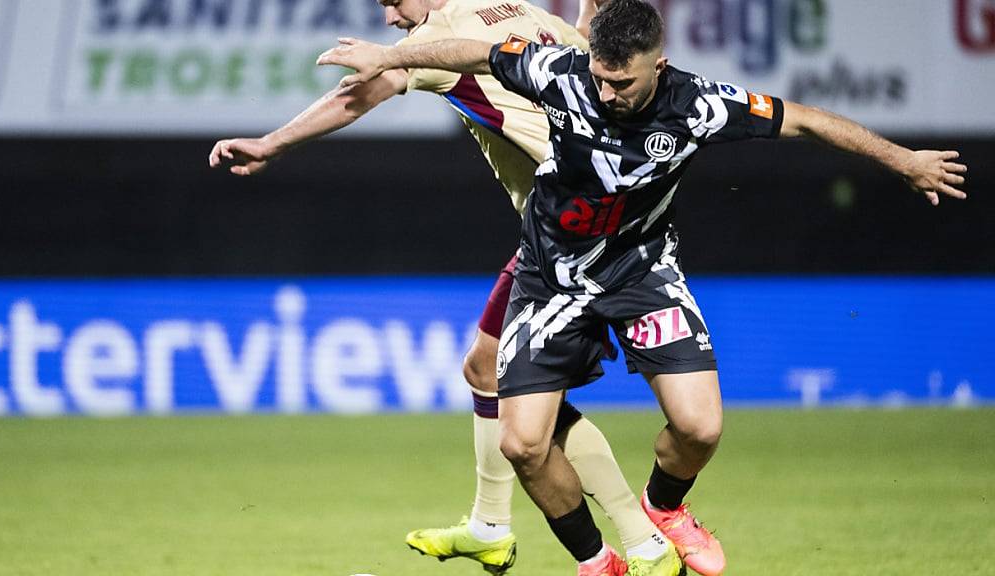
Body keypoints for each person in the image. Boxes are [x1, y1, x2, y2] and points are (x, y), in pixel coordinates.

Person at [316, 0, 969, 574]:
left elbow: (805, 120)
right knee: (521, 443)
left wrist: (903, 160)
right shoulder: (563, 74)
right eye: (600, 76)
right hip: (552, 281)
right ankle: (599, 562)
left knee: (701, 429)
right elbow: (473, 51)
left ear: (658, 67)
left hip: (642, 273)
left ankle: (664, 507)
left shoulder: (701, 104)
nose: (606, 93)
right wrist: (390, 55)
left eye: (621, 83)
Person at [209, 1, 682, 575]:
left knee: (521, 398)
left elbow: (359, 92)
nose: (390, 17)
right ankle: (495, 524)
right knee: (489, 370)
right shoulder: (520, 11)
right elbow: (584, 61)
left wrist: (272, 143)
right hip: (596, 224)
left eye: (392, 0)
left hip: (569, 240)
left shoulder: (441, 34)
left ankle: (640, 543)